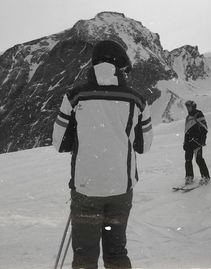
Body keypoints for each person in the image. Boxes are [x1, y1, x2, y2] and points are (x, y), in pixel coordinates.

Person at [52, 40, 153, 269]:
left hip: (86, 188)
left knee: (85, 256)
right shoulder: (138, 100)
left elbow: (59, 143)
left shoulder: (74, 96)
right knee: (116, 253)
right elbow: (144, 146)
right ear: (119, 64)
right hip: (120, 188)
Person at [183, 100, 210, 185]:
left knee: (199, 159)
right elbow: (186, 131)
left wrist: (201, 140)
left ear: (193, 106)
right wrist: (185, 142)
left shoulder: (198, 115)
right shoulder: (188, 117)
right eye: (186, 106)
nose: (187, 108)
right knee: (188, 160)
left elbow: (204, 128)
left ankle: (205, 177)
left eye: (189, 106)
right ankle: (189, 177)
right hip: (189, 142)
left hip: (197, 142)